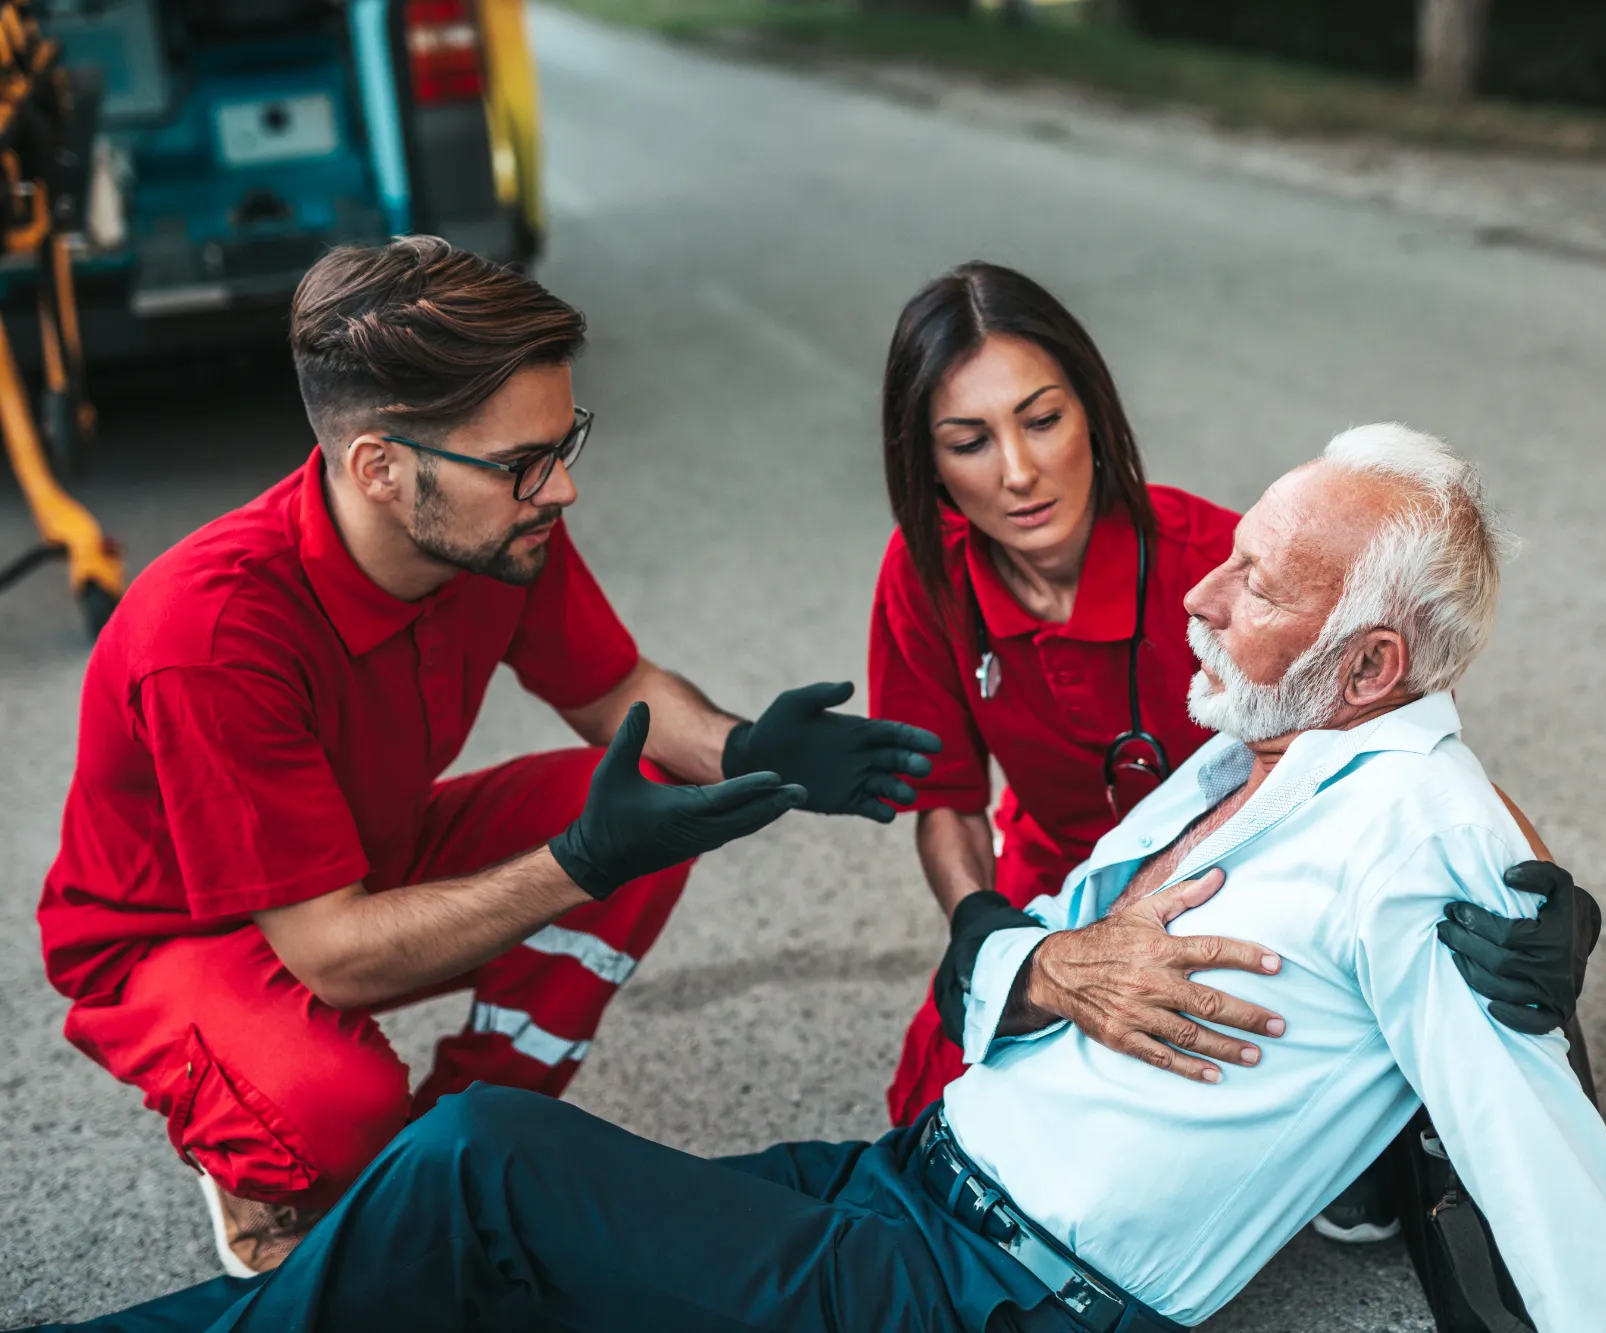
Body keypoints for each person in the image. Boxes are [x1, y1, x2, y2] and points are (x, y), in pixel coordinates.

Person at [34, 424, 1606, 1333]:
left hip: (984, 1288)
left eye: (1251, 585)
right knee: (478, 1258)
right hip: (918, 1174)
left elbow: (1552, 1178)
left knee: (480, 1170)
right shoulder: (1250, 740)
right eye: (1227, 554)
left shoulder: (1425, 852)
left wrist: (1549, 917)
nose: (1201, 596)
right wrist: (1028, 957)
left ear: (1370, 657)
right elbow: (1005, 937)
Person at [34, 237, 939, 1276]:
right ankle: (270, 1171)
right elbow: (329, 952)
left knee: (643, 789)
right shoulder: (212, 635)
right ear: (380, 466)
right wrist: (575, 865)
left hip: (359, 864)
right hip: (176, 938)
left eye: (563, 444)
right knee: (335, 1110)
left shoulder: (495, 531)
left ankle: (459, 1131)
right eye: (522, 464)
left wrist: (744, 749)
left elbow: (613, 694)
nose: (560, 490)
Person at [868, 262, 1597, 1240]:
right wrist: (995, 939)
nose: (1015, 471)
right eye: (968, 440)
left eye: (1040, 419)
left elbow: (1413, 737)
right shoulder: (922, 574)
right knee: (940, 1134)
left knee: (1403, 1035)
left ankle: (1368, 1124)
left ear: (1093, 410)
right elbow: (948, 798)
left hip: (1243, 877)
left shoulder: (1222, 560)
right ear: (928, 461)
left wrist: (1542, 891)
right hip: (1056, 884)